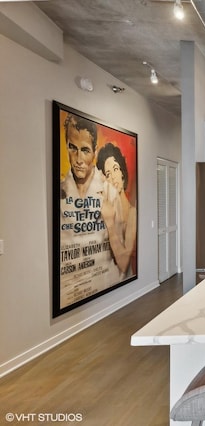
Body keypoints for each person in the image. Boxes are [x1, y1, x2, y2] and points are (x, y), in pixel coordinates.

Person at [59, 114, 119, 308]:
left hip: (105, 280)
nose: (78, 159)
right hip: (68, 290)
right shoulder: (58, 191)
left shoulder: (109, 192)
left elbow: (119, 250)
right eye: (72, 147)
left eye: (84, 150)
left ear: (94, 152)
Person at [97, 142, 137, 279]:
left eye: (115, 169)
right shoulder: (106, 208)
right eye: (108, 174)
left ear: (122, 172)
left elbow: (124, 263)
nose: (113, 177)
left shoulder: (132, 213)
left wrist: (110, 223)